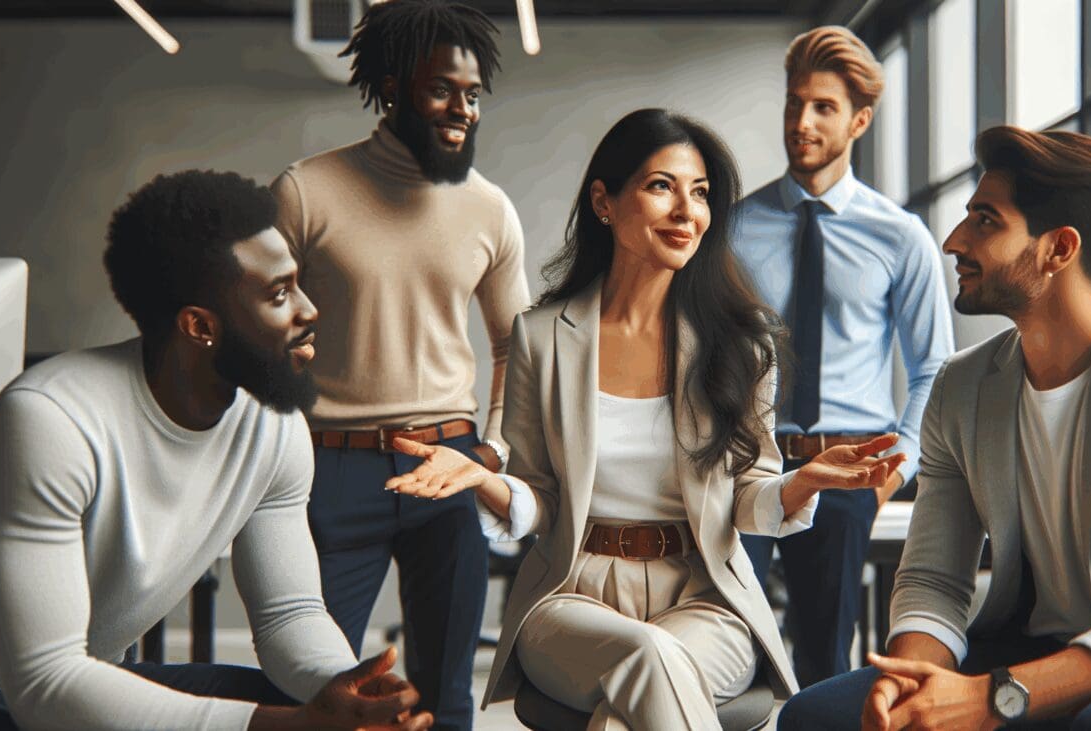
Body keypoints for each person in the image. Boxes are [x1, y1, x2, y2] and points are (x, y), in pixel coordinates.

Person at [384, 108, 907, 730]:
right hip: (570, 598)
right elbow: (542, 498)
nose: (688, 212)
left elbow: (747, 496)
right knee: (651, 657)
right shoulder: (542, 337)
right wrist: (482, 478)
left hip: (706, 597)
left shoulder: (743, 344)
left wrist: (805, 481)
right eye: (662, 186)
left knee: (640, 685)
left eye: (701, 193)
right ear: (603, 202)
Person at [778, 126, 1091, 730]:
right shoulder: (960, 386)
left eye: (985, 221)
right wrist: (911, 683)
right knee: (815, 716)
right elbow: (934, 578)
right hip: (1037, 644)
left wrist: (992, 698)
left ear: (1058, 249)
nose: (954, 241)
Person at [0, 170, 432, 731]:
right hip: (8, 692)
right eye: (279, 294)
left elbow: (289, 613)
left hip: (87, 680)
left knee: (301, 708)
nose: (309, 310)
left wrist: (347, 695)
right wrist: (289, 726)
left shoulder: (274, 426)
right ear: (200, 326)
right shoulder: (50, 420)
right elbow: (43, 682)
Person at [270, 1, 530, 727]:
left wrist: (490, 453)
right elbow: (262, 333)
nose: (463, 109)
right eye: (442, 89)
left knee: (448, 696)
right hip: (330, 466)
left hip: (447, 463)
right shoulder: (305, 191)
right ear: (392, 88)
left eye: (473, 94)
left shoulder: (489, 208)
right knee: (318, 692)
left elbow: (516, 347)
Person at [733, 25, 954, 685]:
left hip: (850, 469)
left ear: (859, 120)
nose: (801, 122)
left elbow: (933, 368)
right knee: (729, 646)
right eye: (794, 103)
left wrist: (893, 471)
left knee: (826, 662)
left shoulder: (900, 236)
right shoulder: (733, 229)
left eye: (823, 107)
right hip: (749, 462)